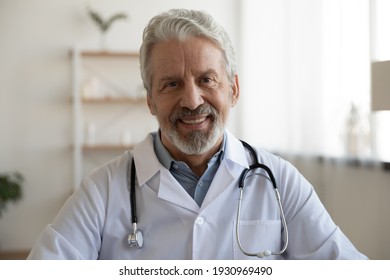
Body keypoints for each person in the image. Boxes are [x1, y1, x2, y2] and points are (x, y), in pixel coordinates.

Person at [28, 9, 367, 260]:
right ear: (150, 99)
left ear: (233, 89)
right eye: (171, 83)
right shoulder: (102, 192)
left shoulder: (280, 181)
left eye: (207, 79)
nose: (191, 101)